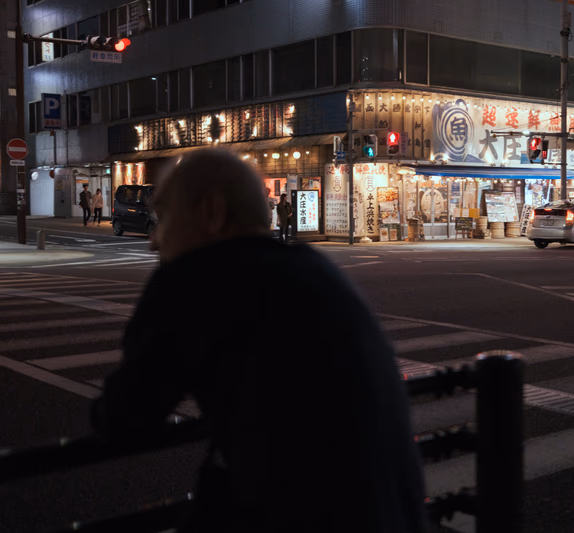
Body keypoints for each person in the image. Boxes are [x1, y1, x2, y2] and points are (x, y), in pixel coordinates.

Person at [91, 148, 427, 533]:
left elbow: (124, 416)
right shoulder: (317, 270)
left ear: (212, 212)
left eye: (163, 217)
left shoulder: (199, 280)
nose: (154, 241)